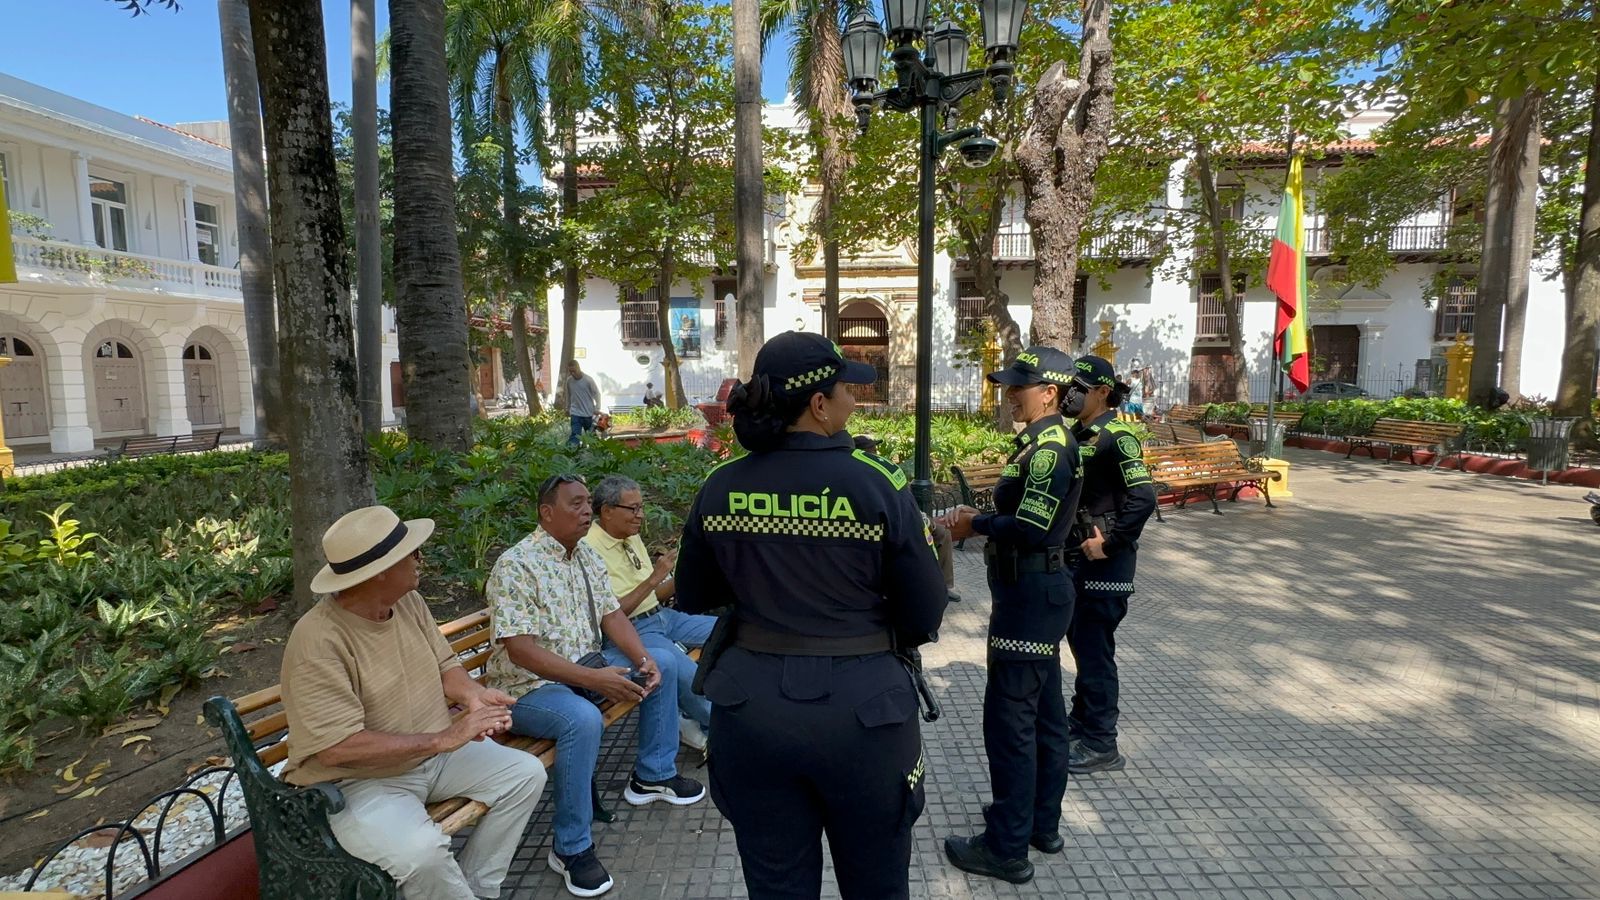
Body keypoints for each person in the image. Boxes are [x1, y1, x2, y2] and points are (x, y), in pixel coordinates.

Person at [675, 331, 948, 900]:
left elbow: (695, 595)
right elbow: (925, 612)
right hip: (866, 714)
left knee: (776, 887)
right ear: (819, 404)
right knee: (877, 886)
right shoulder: (878, 483)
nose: (854, 399)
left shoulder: (721, 485)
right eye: (847, 389)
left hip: (751, 711)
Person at [281, 505, 547, 900]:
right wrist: (444, 739)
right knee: (422, 854)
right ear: (381, 571)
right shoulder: (318, 642)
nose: (421, 559)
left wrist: (474, 696)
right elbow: (337, 749)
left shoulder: (408, 602)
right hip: (358, 781)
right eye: (413, 553)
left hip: (430, 757)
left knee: (525, 774)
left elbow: (445, 665)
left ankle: (477, 889)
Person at [486, 474, 706, 898]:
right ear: (546, 512)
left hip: (587, 668)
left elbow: (612, 616)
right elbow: (520, 652)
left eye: (588, 502)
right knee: (582, 719)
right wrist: (591, 678)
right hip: (527, 688)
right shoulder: (516, 565)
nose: (587, 510)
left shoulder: (585, 554)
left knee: (661, 661)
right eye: (576, 504)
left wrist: (641, 658)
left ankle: (652, 776)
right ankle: (571, 848)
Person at [938, 346, 1082, 886]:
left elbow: (1031, 527)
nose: (1010, 395)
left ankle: (1006, 848)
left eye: (1019, 387)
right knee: (1043, 714)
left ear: (1049, 392)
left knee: (1010, 723)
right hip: (1037, 594)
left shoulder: (1049, 449)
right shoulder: (1044, 443)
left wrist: (973, 525)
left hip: (1030, 599)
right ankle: (1038, 822)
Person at [1062, 356, 1158, 775]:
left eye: (1079, 387)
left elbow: (1145, 497)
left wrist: (1112, 544)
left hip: (1105, 567)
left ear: (1102, 392)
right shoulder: (1079, 434)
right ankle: (1082, 721)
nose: (1070, 394)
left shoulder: (1117, 436)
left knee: (1095, 654)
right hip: (1080, 561)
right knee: (1083, 648)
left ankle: (1102, 743)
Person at [582, 474, 715, 750]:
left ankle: (697, 716)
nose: (640, 515)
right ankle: (729, 728)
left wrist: (688, 571)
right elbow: (612, 614)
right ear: (607, 511)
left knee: (731, 629)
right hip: (634, 630)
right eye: (633, 509)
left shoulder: (628, 536)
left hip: (662, 617)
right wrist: (654, 578)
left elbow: (653, 596)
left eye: (641, 507)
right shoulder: (589, 549)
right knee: (684, 671)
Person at [852, 433, 961, 604]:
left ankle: (944, 586)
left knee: (942, 532)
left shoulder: (885, 470)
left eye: (875, 448)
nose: (876, 452)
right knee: (917, 538)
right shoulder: (860, 476)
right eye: (871, 449)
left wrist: (922, 518)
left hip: (911, 516)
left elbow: (906, 500)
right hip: (893, 523)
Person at [566, 361, 603, 447]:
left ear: (578, 368)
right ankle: (572, 452)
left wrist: (597, 408)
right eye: (570, 372)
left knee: (591, 437)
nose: (572, 374)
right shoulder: (569, 381)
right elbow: (568, 395)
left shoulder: (588, 380)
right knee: (575, 435)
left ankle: (596, 451)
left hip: (588, 414)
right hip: (575, 413)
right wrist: (567, 408)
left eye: (574, 371)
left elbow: (597, 394)